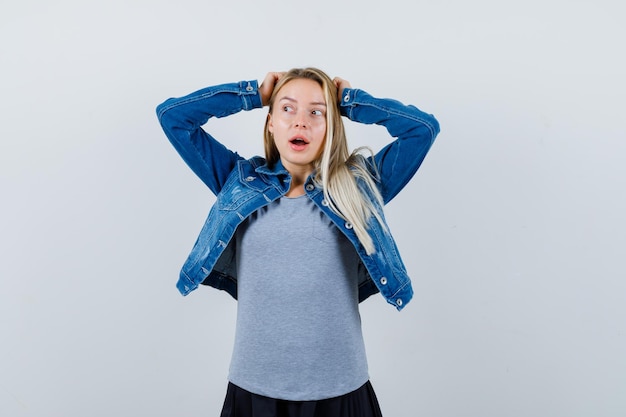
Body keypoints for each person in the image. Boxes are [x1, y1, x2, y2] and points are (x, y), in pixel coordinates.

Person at [156, 67, 440, 417]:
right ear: (271, 122)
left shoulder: (358, 187)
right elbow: (173, 118)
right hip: (254, 388)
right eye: (287, 108)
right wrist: (253, 94)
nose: (300, 122)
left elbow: (422, 130)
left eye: (317, 112)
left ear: (331, 125)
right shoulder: (238, 180)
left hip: (341, 387)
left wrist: (350, 102)